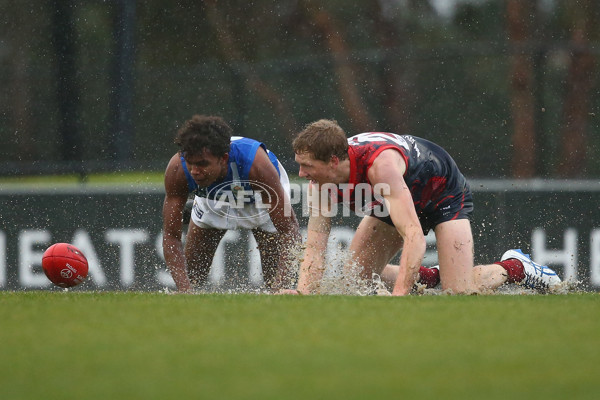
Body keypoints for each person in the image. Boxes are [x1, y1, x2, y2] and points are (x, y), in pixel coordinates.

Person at [288, 119, 561, 295]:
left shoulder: (379, 167)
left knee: (458, 292)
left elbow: (414, 236)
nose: (301, 173)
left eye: (307, 166)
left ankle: (517, 267)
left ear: (334, 161)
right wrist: (301, 292)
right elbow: (314, 247)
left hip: (441, 190)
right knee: (356, 276)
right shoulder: (320, 185)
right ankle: (431, 276)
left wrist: (399, 297)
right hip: (397, 196)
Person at [162, 115, 301, 292]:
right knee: (192, 280)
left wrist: (280, 288)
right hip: (212, 200)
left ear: (224, 158)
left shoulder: (257, 165)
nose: (195, 171)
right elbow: (170, 236)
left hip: (259, 200)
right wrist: (184, 291)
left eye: (202, 164)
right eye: (190, 164)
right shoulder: (178, 169)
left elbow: (290, 231)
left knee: (275, 286)